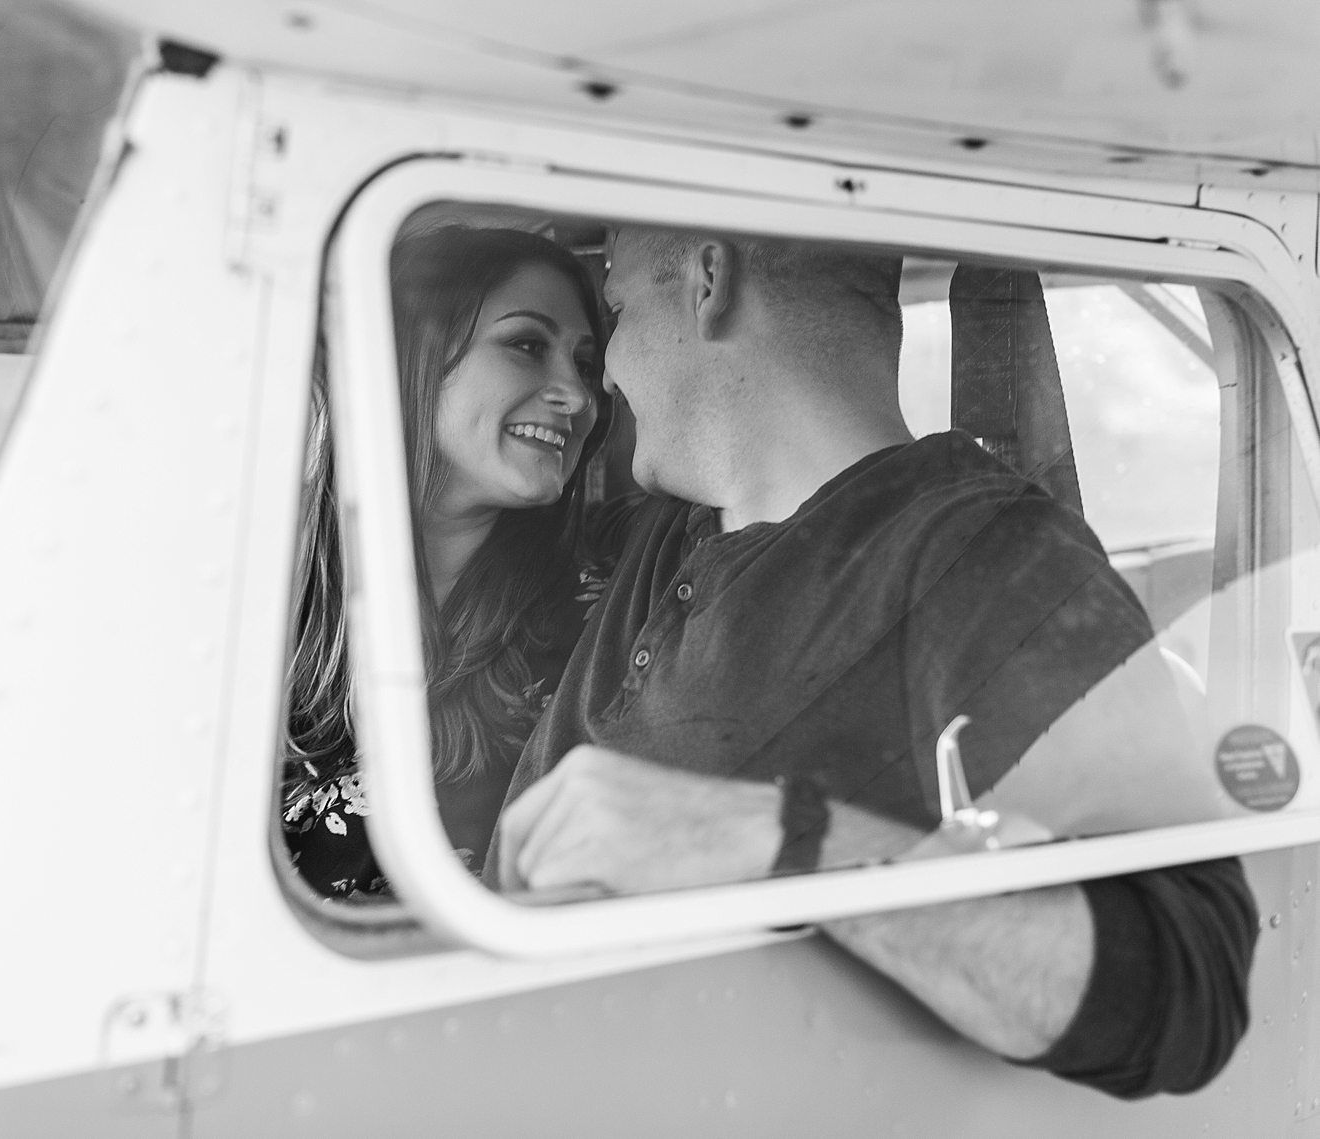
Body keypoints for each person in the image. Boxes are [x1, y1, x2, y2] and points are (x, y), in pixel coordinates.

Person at [489, 227, 1257, 1098]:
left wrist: (771, 839)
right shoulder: (673, 528)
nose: (609, 373)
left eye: (618, 311)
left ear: (711, 277)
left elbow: (1188, 985)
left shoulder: (980, 555)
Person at [281, 226, 612, 898]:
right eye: (527, 345)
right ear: (414, 354)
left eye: (583, 364)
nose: (577, 397)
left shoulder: (605, 615)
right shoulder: (265, 588)